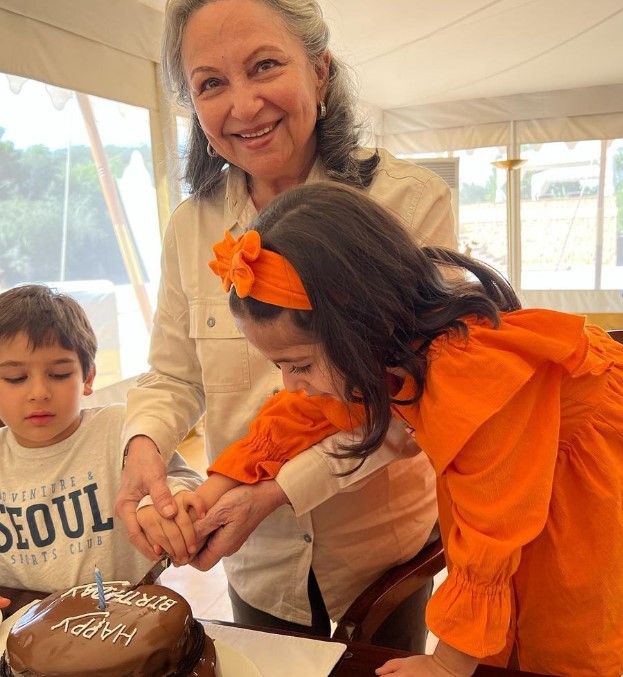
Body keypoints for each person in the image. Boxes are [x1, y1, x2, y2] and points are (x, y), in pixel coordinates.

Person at [116, 0, 455, 652]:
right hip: (257, 559)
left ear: (320, 72)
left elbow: (418, 398)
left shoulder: (407, 203)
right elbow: (171, 375)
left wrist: (275, 491)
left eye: (264, 66)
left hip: (381, 549)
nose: (242, 106)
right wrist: (143, 450)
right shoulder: (191, 226)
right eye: (210, 83)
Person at [205, 181, 623, 677]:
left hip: (583, 497)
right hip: (519, 495)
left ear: (360, 323)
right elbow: (306, 414)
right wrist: (222, 482)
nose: (292, 384)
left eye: (297, 364)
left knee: (567, 640)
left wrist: (446, 665)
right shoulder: (384, 351)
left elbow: (490, 529)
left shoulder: (474, 377)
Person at [0, 284, 203, 617]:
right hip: (24, 632)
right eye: (15, 377)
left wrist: (163, 505)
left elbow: (183, 486)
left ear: (88, 377)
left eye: (59, 374)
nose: (38, 392)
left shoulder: (120, 429)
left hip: (130, 623)